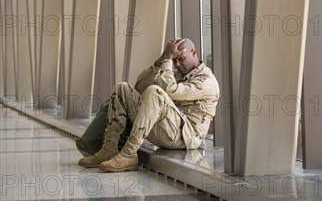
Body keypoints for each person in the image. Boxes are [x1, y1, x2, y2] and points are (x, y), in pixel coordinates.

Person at [78, 37, 220, 172]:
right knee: (122, 88)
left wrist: (168, 61)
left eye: (181, 59)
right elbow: (139, 86)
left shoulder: (206, 81)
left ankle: (129, 154)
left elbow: (169, 90)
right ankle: (109, 150)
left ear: (193, 53)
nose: (177, 64)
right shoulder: (177, 74)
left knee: (154, 92)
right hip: (166, 127)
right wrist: (162, 59)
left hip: (184, 137)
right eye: (174, 60)